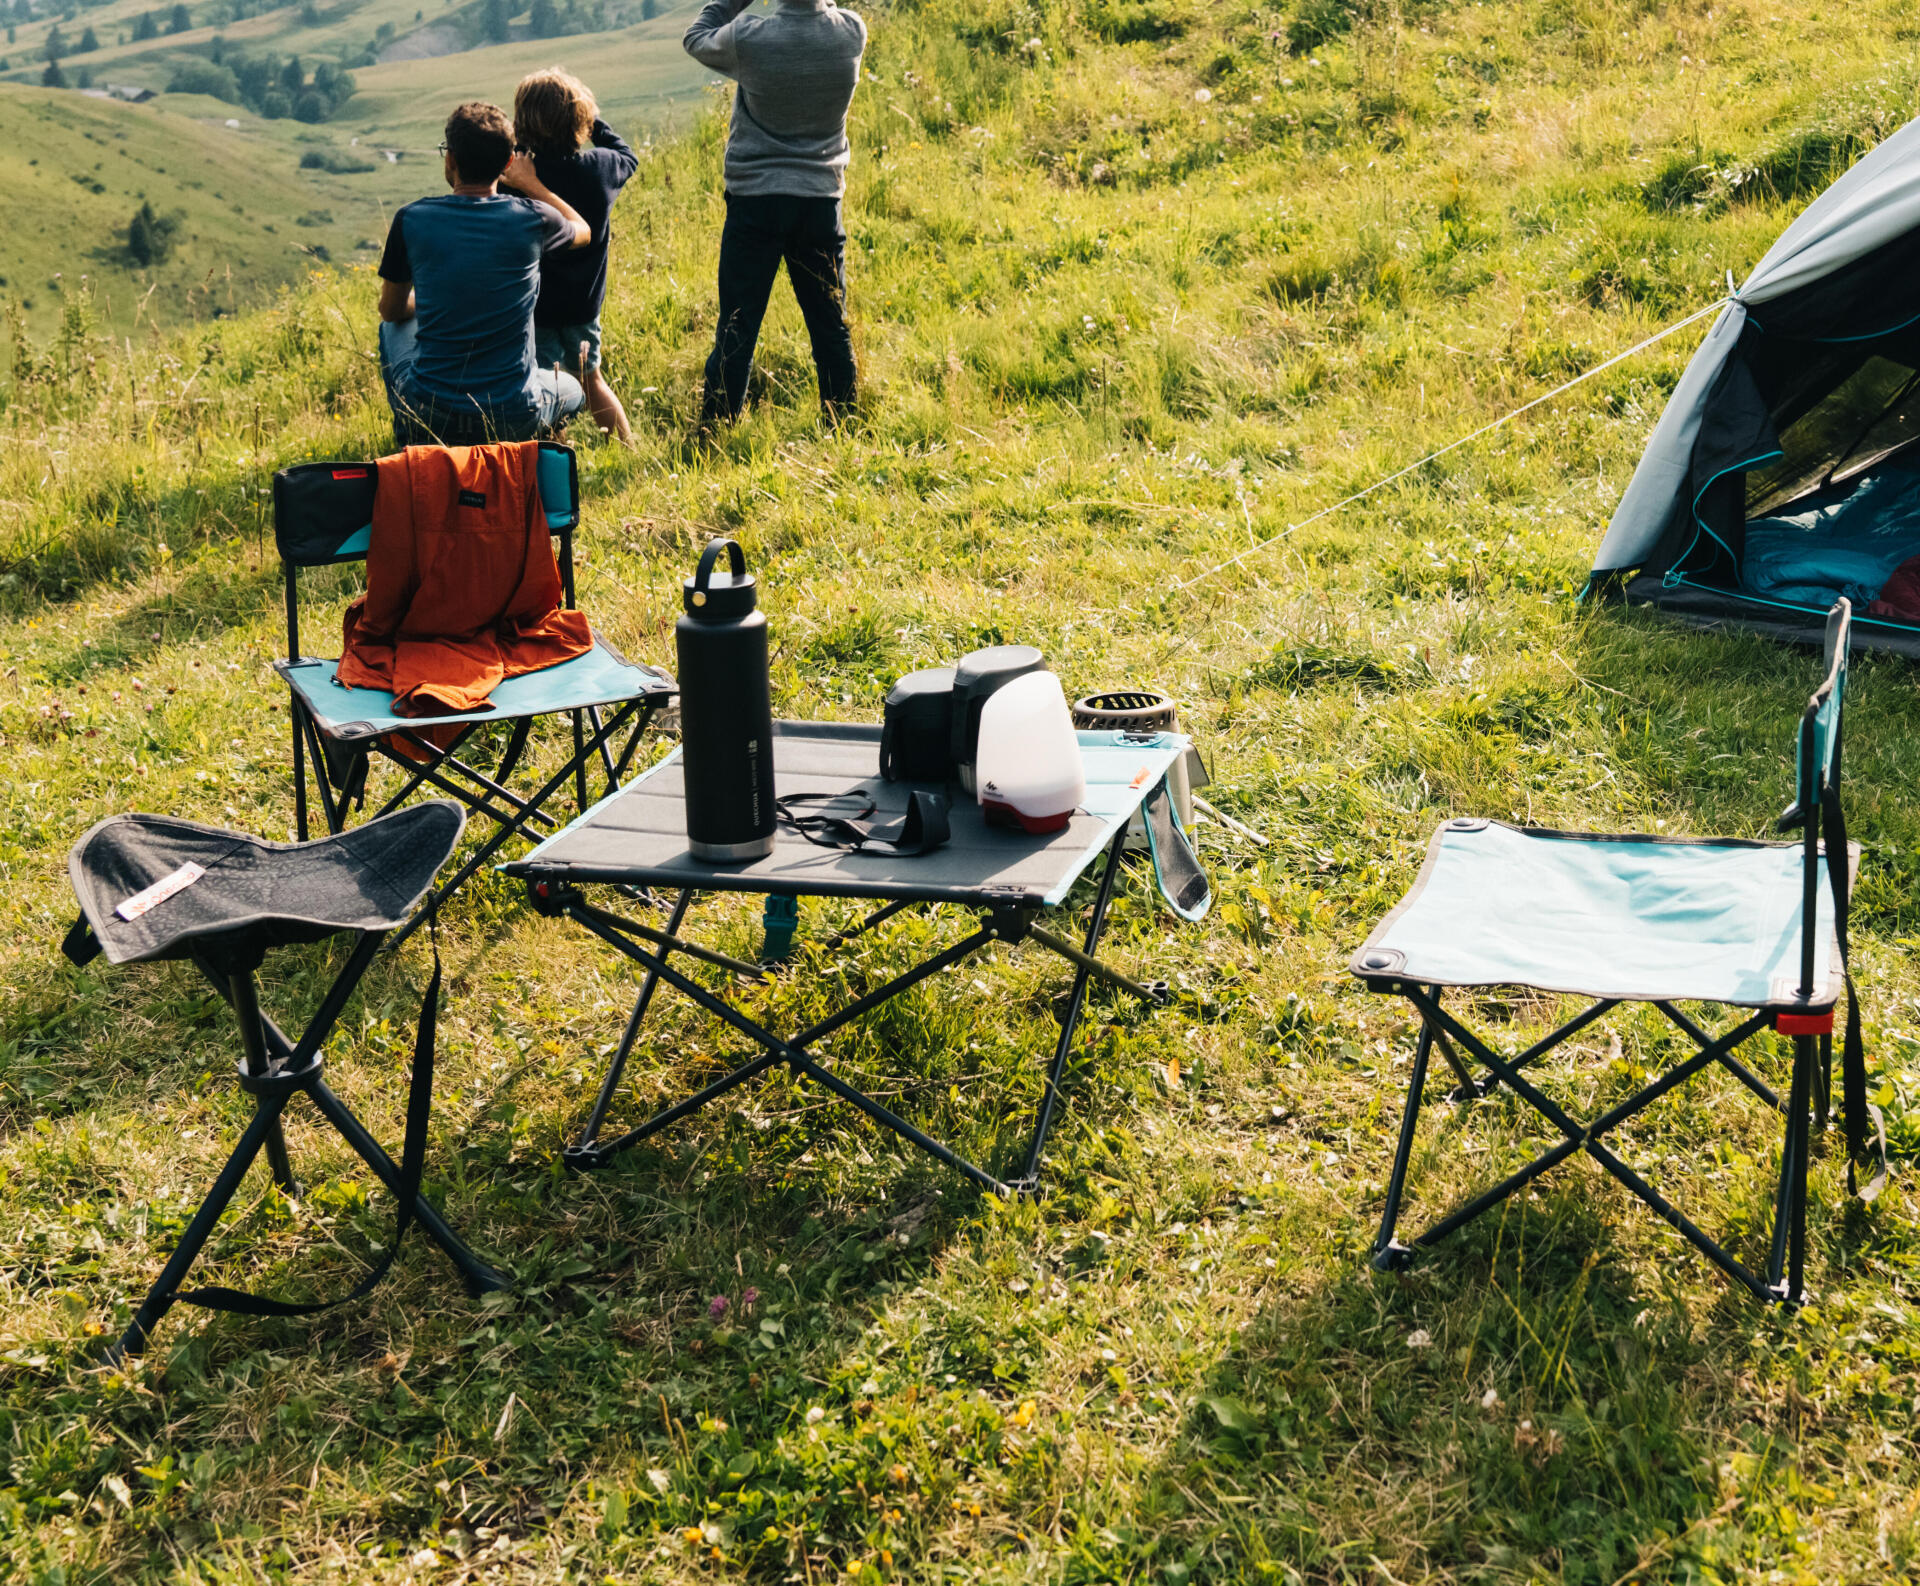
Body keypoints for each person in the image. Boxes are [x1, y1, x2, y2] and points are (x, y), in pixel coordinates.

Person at [683, 0, 866, 427]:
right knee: (829, 324)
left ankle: (717, 429)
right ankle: (843, 425)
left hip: (755, 200)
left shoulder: (750, 37)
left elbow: (695, 38)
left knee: (737, 324)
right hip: (819, 199)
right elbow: (823, 17)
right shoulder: (851, 33)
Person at [376, 101, 593, 446]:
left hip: (431, 412)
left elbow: (390, 309)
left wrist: (437, 299)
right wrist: (531, 184)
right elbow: (582, 229)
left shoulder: (411, 219)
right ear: (508, 163)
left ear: (451, 160)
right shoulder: (533, 219)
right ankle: (535, 461)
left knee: (390, 327)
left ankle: (412, 441)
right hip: (514, 414)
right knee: (570, 390)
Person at [509, 68, 640, 444]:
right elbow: (626, 154)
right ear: (579, 120)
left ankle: (558, 463)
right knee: (592, 378)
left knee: (548, 385)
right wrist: (588, 116)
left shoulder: (517, 179)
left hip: (539, 307)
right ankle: (626, 449)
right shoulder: (600, 170)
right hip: (584, 304)